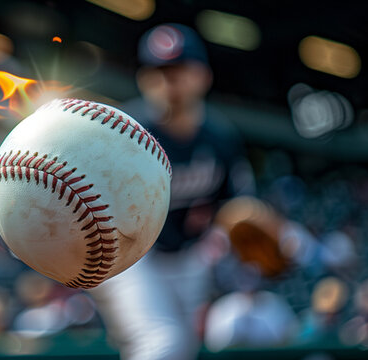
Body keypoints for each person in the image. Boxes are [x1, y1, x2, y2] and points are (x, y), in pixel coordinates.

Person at [87, 23, 256, 360]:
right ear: (143, 79)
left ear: (203, 77)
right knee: (162, 342)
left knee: (184, 347)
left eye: (179, 71)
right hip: (131, 257)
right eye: (158, 72)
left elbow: (237, 205)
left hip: (191, 259)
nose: (168, 82)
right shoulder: (120, 135)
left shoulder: (220, 138)